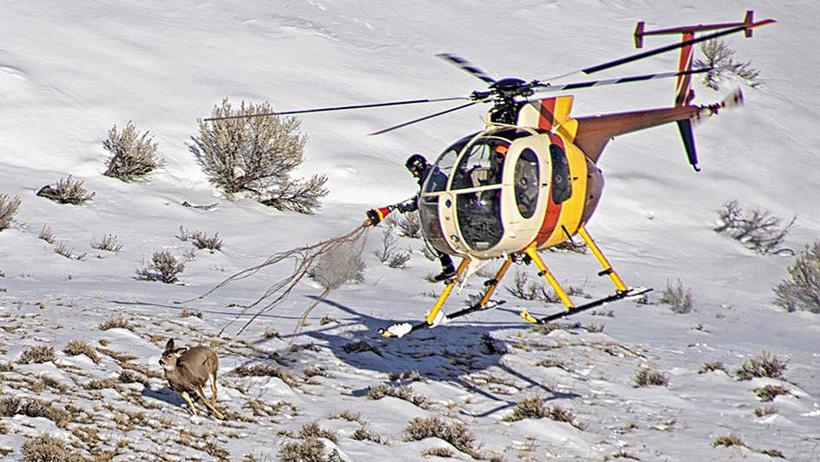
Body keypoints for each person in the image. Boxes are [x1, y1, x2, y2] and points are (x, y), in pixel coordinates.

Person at [366, 154, 456, 282]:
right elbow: (423, 198)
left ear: (419, 167)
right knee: (435, 237)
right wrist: (406, 206)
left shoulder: (433, 178)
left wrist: (411, 205)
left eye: (414, 171)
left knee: (436, 237)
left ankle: (449, 269)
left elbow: (427, 197)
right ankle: (448, 268)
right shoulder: (430, 177)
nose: (414, 175)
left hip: (447, 213)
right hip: (442, 212)